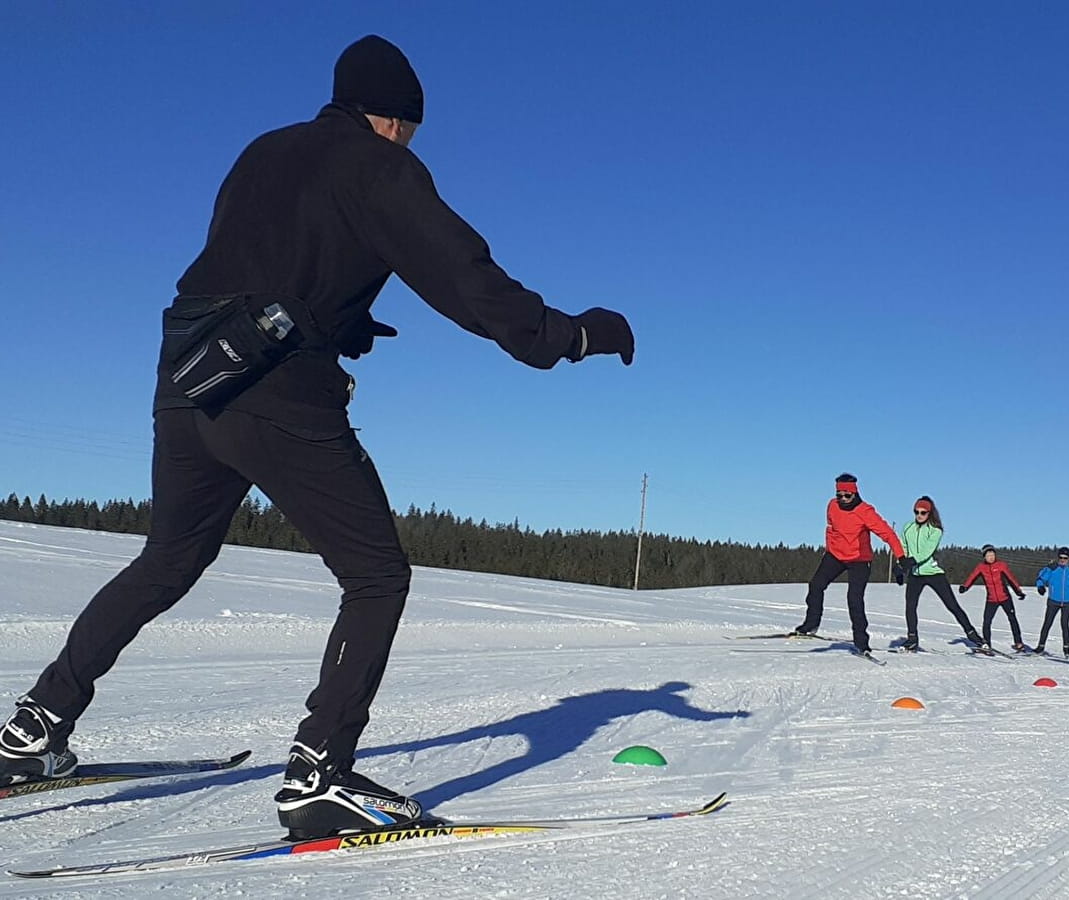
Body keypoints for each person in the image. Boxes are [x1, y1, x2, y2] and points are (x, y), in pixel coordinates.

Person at [0, 35, 634, 841]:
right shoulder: (379, 166)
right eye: (411, 128)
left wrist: (344, 314)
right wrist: (568, 336)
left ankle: (36, 727)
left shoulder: (262, 151)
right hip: (279, 393)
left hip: (188, 380)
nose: (410, 142)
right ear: (398, 119)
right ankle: (319, 775)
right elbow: (464, 277)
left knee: (168, 557)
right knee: (376, 575)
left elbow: (261, 257)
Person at [793, 474, 906, 658]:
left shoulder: (865, 511)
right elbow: (831, 529)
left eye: (847, 495)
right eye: (839, 495)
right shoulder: (832, 506)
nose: (843, 499)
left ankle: (862, 643)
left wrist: (901, 557)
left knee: (854, 599)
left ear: (855, 493)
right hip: (835, 555)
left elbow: (888, 534)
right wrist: (829, 550)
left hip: (859, 559)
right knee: (816, 585)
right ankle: (811, 625)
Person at [896, 497, 984, 652]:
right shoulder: (907, 527)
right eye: (916, 512)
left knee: (952, 605)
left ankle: (973, 636)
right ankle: (912, 639)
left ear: (929, 513)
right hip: (916, 574)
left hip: (933, 573)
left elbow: (926, 551)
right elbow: (902, 546)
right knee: (910, 606)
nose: (919, 515)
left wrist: (910, 561)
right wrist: (900, 564)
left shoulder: (936, 530)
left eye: (923, 512)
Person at [960, 545, 1027, 652]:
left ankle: (1018, 643)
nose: (991, 557)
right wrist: (965, 587)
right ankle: (987, 644)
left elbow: (1011, 579)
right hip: (991, 600)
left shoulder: (1001, 565)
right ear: (984, 557)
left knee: (1012, 619)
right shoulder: (981, 567)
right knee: (987, 622)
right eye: (988, 555)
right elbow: (972, 577)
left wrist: (1019, 592)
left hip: (1005, 598)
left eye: (993, 555)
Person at [1033, 547, 1069, 657]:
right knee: (1047, 624)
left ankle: (1066, 648)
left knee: (1065, 625)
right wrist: (1040, 587)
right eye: (1061, 557)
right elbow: (1040, 578)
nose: (1063, 560)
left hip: (1068, 602)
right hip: (1053, 601)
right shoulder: (1051, 568)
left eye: (1065, 558)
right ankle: (1040, 646)